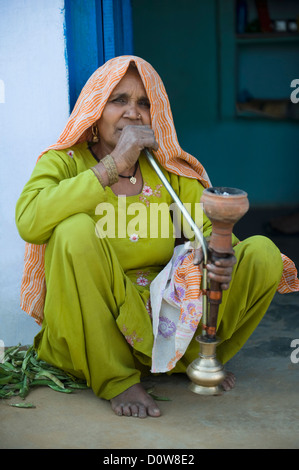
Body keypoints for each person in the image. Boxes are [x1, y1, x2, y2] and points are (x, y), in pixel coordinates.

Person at [15, 56, 299, 419]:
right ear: (95, 110)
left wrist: (216, 256)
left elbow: (207, 230)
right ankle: (116, 377)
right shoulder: (65, 163)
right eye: (119, 100)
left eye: (144, 103)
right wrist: (113, 165)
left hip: (165, 311)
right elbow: (29, 221)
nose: (133, 113)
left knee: (260, 252)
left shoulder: (166, 171)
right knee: (74, 230)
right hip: (93, 319)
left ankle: (195, 358)